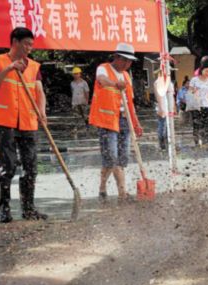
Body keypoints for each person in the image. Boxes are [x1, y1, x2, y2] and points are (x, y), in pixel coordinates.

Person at [0, 27, 48, 222]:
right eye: (27, 44)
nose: (29, 48)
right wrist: (9, 68)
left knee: (31, 166)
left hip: (28, 121)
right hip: (5, 121)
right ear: (15, 41)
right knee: (9, 166)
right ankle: (5, 210)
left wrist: (42, 111)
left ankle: (28, 209)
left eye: (32, 45)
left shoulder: (33, 66)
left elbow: (39, 91)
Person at [89, 42, 143, 204]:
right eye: (125, 60)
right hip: (106, 120)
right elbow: (102, 80)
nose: (128, 64)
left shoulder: (127, 76)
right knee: (112, 156)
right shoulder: (103, 68)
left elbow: (129, 102)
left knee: (121, 157)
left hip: (124, 120)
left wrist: (136, 123)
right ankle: (123, 193)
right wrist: (115, 84)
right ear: (116, 57)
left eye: (130, 61)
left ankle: (102, 186)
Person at [189, 60, 208, 147]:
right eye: (206, 71)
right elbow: (190, 91)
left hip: (206, 105)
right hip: (196, 105)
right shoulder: (194, 80)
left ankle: (206, 141)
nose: (207, 73)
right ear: (201, 70)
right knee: (197, 124)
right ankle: (197, 142)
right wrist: (195, 90)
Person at [154, 69, 175, 150]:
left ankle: (169, 142)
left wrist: (174, 107)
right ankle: (161, 143)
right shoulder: (157, 82)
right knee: (162, 126)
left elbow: (172, 95)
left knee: (169, 126)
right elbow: (158, 96)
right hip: (162, 107)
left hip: (169, 107)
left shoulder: (170, 82)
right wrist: (160, 107)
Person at [70, 66, 90, 131]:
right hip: (75, 102)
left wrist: (86, 100)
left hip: (83, 101)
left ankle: (87, 126)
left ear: (80, 74)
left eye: (77, 74)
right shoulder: (72, 83)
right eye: (74, 74)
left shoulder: (84, 83)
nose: (76, 75)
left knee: (85, 115)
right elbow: (72, 91)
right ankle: (75, 128)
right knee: (76, 116)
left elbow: (87, 92)